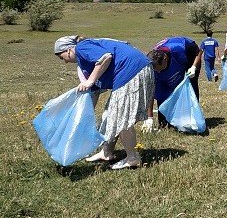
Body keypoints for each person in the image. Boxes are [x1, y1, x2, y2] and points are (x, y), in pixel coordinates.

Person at [53, 35, 154, 169]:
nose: (64, 62)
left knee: (121, 117)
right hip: (134, 71)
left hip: (132, 71)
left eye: (62, 57)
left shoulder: (81, 48)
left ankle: (132, 158)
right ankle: (107, 153)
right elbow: (93, 93)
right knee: (109, 114)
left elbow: (105, 57)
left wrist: (90, 81)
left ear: (68, 50)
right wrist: (83, 116)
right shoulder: (85, 63)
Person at [146, 37, 203, 129]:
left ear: (165, 58)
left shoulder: (180, 47)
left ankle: (190, 118)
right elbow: (151, 92)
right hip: (172, 65)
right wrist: (149, 118)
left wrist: (194, 67)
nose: (158, 72)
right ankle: (164, 121)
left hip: (189, 60)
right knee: (162, 91)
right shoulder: (151, 66)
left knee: (191, 87)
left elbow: (199, 51)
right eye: (155, 70)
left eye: (159, 68)